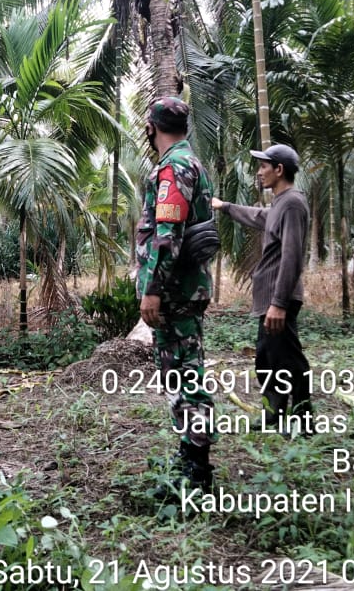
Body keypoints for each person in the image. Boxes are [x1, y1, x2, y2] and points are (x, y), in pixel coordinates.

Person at [135, 97, 216, 497]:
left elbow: (167, 239)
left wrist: (151, 290)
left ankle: (196, 471)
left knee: (186, 376)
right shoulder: (193, 164)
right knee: (181, 374)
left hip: (175, 292)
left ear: (152, 127)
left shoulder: (174, 169)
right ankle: (190, 455)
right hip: (185, 288)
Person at [211, 144, 312, 433]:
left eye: (264, 166)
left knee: (290, 360)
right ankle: (275, 413)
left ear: (279, 170)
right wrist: (225, 207)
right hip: (270, 298)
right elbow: (258, 216)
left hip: (278, 299)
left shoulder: (292, 203)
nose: (259, 172)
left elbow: (291, 255)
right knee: (268, 359)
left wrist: (279, 303)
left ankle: (304, 422)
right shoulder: (282, 202)